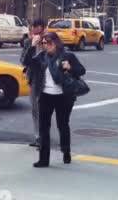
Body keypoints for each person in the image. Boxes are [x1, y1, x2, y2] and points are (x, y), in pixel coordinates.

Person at [23, 31, 86, 168]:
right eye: (44, 43)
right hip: (45, 95)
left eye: (49, 42)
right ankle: (44, 159)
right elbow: (26, 62)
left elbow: (81, 70)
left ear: (56, 42)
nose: (46, 45)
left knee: (62, 125)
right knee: (43, 128)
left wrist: (71, 67)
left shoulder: (67, 56)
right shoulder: (41, 57)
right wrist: (32, 46)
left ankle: (66, 151)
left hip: (63, 96)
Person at [20, 18, 46, 148]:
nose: (35, 34)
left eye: (39, 32)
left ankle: (43, 138)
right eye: (32, 30)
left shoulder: (49, 42)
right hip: (33, 80)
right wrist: (32, 46)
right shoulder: (28, 43)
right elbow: (24, 61)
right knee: (35, 110)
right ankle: (38, 137)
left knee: (44, 110)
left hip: (46, 81)